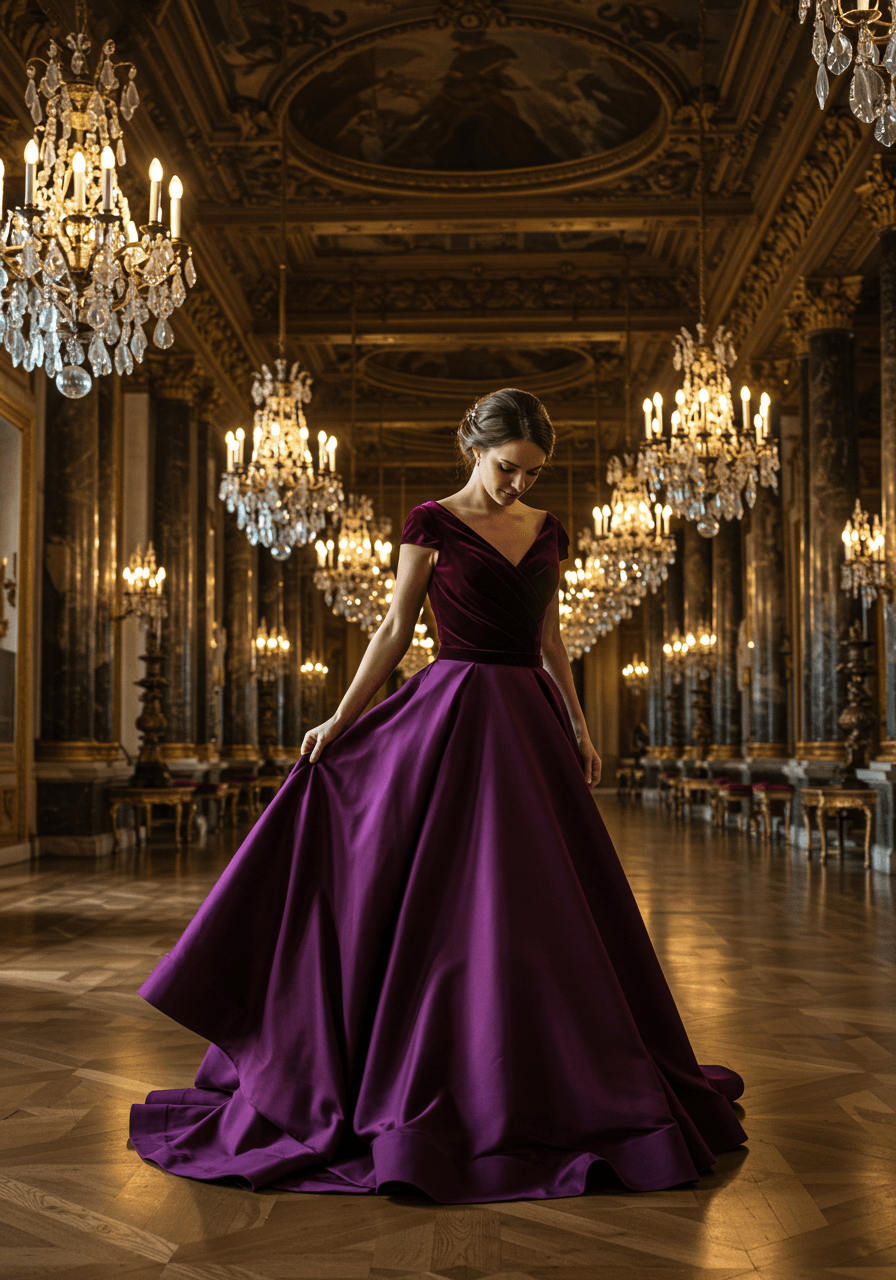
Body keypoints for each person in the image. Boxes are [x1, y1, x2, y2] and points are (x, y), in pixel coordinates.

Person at [130, 387, 746, 1203]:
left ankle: (552, 1067)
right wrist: (341, 720)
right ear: (474, 448)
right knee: (439, 893)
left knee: (542, 899)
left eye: (530, 474)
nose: (517, 487)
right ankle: (420, 1063)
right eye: (506, 468)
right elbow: (391, 632)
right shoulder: (430, 523)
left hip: (527, 720)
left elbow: (552, 641)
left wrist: (583, 726)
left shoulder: (546, 529)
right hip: (451, 710)